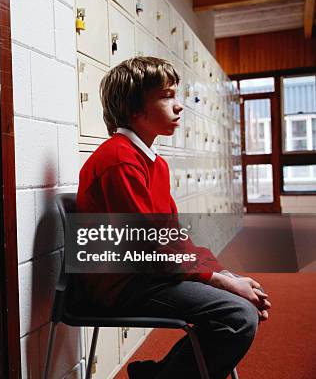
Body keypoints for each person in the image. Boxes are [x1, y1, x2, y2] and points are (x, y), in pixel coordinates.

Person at [72, 57, 271, 379]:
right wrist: (221, 281)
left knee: (239, 306)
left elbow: (172, 237)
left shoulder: (154, 163)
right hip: (123, 284)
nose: (179, 106)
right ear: (133, 106)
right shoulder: (119, 159)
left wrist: (225, 276)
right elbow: (150, 246)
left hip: (148, 274)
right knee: (237, 316)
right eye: (166, 96)